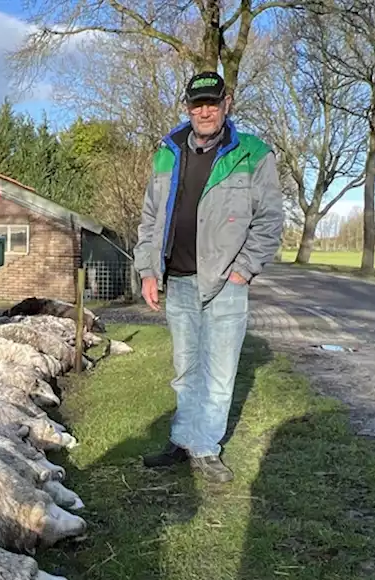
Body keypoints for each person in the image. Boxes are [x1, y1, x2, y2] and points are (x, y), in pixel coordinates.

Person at [132, 70, 285, 483]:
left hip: (225, 284)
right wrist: (148, 270)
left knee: (219, 373)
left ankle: (205, 447)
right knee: (185, 369)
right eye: (197, 104)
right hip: (177, 281)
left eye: (212, 103)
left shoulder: (252, 153)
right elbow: (150, 218)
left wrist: (243, 270)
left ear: (227, 103)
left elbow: (269, 220)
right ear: (187, 106)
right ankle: (183, 440)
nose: (205, 111)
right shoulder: (167, 150)